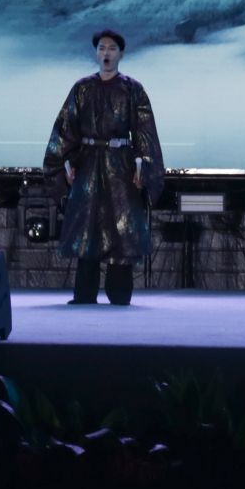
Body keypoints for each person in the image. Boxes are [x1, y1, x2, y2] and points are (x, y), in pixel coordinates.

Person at [44, 29, 165, 305]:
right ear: (96, 53)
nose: (106, 53)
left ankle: (119, 295)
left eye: (111, 48)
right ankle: (84, 295)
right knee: (87, 228)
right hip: (88, 165)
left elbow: (145, 132)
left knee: (121, 229)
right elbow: (66, 129)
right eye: (101, 48)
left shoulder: (133, 89)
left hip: (121, 168)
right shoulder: (82, 88)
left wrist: (144, 170)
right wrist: (65, 165)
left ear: (121, 54)